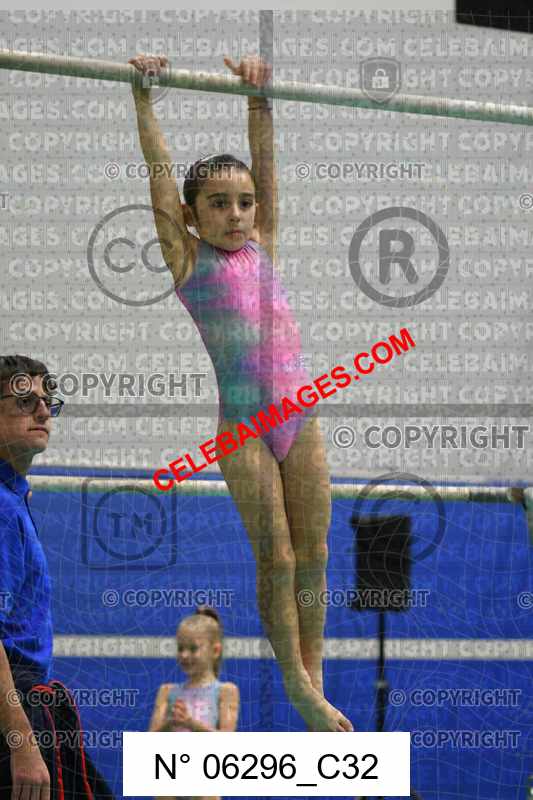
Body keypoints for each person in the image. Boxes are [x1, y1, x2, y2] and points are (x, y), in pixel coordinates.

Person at [129, 53, 353, 733]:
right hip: (244, 427)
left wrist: (259, 99)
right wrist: (143, 98)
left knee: (315, 554)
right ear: (190, 215)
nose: (236, 214)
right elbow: (158, 177)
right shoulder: (188, 260)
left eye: (245, 202)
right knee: (277, 557)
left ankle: (313, 677)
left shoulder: (265, 243)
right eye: (218, 204)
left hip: (298, 415)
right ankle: (295, 684)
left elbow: (266, 165)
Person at [0, 354, 114, 798]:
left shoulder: (13, 499)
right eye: (25, 401)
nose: (44, 412)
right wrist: (22, 742)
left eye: (48, 402)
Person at [148, 606, 239, 800]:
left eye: (193, 649)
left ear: (215, 650)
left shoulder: (226, 691)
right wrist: (170, 723)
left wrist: (190, 723)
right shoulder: (167, 691)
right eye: (180, 648)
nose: (184, 655)